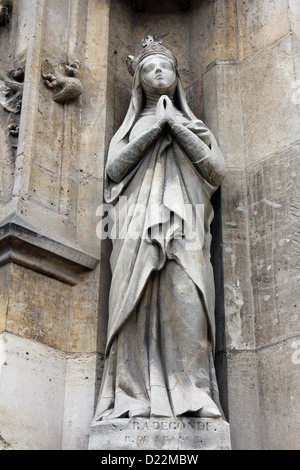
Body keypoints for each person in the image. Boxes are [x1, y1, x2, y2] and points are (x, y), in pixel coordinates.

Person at [94, 36, 226, 421]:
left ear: (176, 76)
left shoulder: (193, 125)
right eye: (149, 67)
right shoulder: (130, 127)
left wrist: (176, 126)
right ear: (138, 80)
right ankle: (131, 395)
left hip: (186, 227)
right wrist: (157, 127)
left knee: (189, 300)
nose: (157, 71)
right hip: (135, 228)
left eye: (164, 66)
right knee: (133, 303)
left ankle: (193, 392)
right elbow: (114, 170)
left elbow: (215, 170)